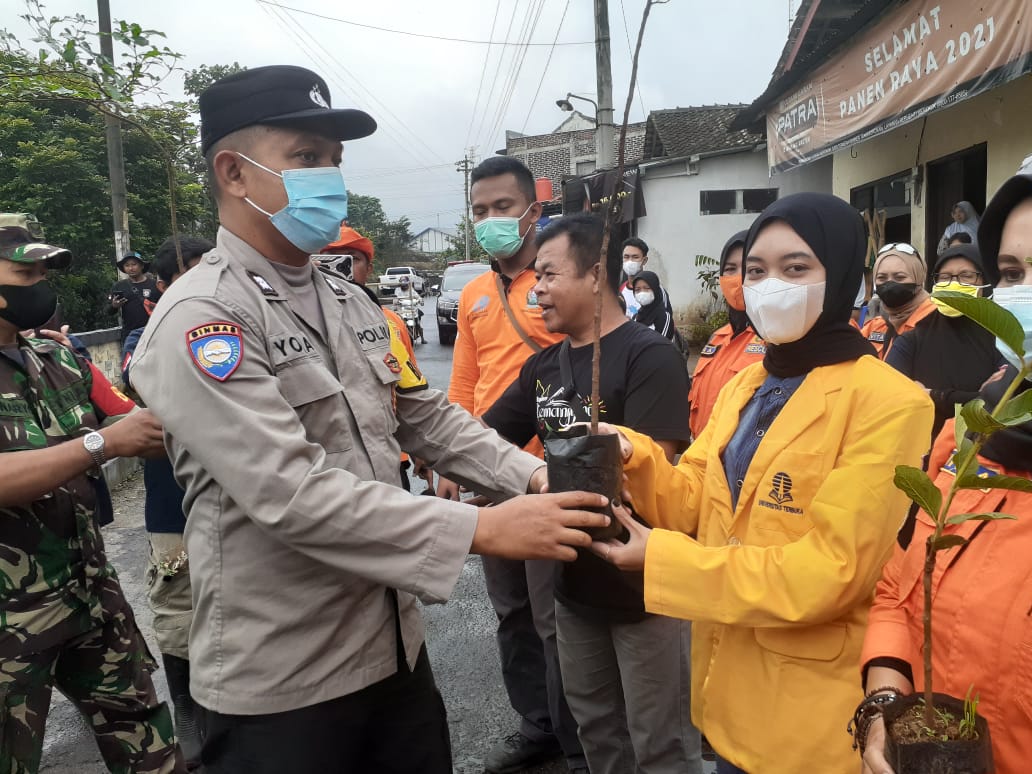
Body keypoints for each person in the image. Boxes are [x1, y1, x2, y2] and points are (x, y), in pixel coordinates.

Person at [126, 66, 608, 774]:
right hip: (282, 684)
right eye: (307, 158)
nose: (330, 178)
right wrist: (481, 528)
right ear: (233, 172)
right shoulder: (205, 319)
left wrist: (537, 475)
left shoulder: (349, 304)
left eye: (335, 161)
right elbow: (291, 493)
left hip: (391, 654)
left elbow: (429, 420)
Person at [587, 193, 934, 774]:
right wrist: (634, 455)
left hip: (809, 719)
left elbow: (832, 571)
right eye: (756, 270)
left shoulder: (892, 402)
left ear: (842, 273)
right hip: (725, 694)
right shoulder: (747, 383)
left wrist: (663, 562)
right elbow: (695, 496)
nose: (770, 284)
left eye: (796, 268)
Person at [482, 214, 702, 774]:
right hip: (573, 587)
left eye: (550, 275)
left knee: (661, 740)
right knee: (597, 729)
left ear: (596, 276)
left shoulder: (647, 355)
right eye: (535, 278)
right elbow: (487, 435)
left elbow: (662, 468)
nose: (538, 290)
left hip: (643, 589)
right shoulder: (544, 365)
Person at [858, 166, 1032, 774]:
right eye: (1013, 274)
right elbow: (898, 592)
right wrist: (884, 702)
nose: (1023, 292)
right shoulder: (970, 446)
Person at [0, 226, 183, 773]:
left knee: (147, 739)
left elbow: (127, 420)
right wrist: (101, 445)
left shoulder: (55, 357)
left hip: (89, 594)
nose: (40, 288)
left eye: (42, 275)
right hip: (10, 615)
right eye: (25, 275)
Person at [446, 154, 578, 773]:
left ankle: (581, 732)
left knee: (558, 615)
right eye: (480, 211)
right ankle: (537, 725)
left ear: (534, 209)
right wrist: (448, 457)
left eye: (503, 208)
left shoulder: (560, 282)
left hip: (555, 473)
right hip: (491, 477)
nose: (491, 220)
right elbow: (463, 384)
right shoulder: (473, 294)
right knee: (512, 611)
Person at [122, 235, 213, 769]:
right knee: (179, 606)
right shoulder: (143, 337)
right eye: (191, 274)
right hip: (172, 504)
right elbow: (144, 390)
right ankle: (186, 707)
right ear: (160, 286)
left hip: (245, 497)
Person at [886, 244, 1005, 438]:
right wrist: (973, 398)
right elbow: (889, 397)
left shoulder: (1003, 340)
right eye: (945, 277)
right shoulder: (912, 339)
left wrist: (934, 396)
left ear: (985, 282)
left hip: (982, 455)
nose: (953, 284)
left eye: (966, 276)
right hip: (920, 454)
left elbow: (1001, 404)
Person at [688, 231, 766, 440]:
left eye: (751, 269)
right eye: (730, 269)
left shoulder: (777, 339)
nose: (738, 277)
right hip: (702, 461)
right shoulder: (718, 337)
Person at [860, 243, 935, 359]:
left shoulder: (934, 322)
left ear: (918, 278)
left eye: (899, 277)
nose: (889, 284)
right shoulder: (874, 326)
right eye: (882, 278)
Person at [110, 251, 162, 342]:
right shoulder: (119, 286)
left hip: (153, 333)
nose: (131, 268)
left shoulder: (155, 285)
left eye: (134, 264)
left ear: (141, 266)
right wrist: (114, 306)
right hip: (130, 335)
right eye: (127, 265)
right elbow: (107, 311)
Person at [631, 270, 676, 341]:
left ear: (655, 289)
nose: (642, 292)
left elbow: (661, 345)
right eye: (637, 289)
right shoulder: (635, 318)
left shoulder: (664, 317)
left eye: (646, 288)